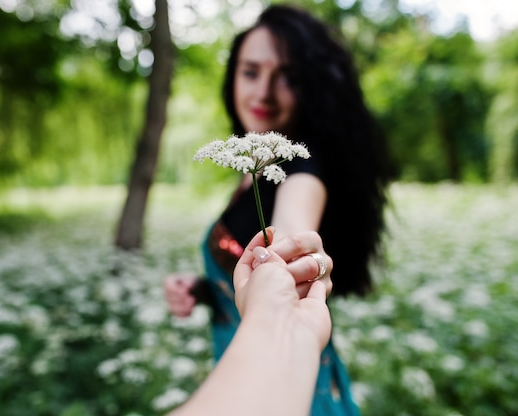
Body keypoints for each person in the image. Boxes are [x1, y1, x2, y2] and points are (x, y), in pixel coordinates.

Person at [164, 4, 390, 415]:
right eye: (251, 72)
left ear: (313, 87)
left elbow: (286, 251)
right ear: (232, 76)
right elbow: (244, 259)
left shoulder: (303, 171)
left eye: (288, 76)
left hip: (282, 384)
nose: (263, 92)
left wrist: (293, 276)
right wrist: (203, 288)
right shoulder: (254, 167)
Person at [170, 228, 333, 416]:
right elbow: (246, 287)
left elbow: (286, 265)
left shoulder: (288, 198)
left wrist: (274, 311)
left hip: (268, 361)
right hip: (235, 350)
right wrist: (201, 289)